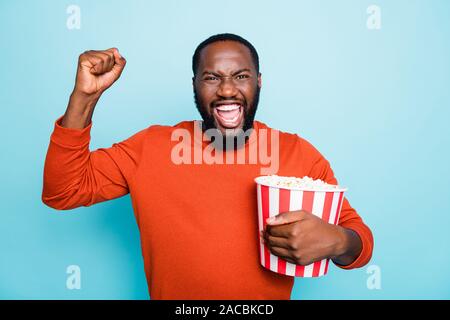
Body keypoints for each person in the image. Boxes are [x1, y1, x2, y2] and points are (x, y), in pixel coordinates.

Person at [42, 33, 373, 299]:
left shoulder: (298, 153)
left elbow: (360, 242)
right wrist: (84, 97)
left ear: (258, 82)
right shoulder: (151, 147)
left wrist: (338, 242)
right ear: (194, 86)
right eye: (212, 78)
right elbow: (63, 191)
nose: (227, 90)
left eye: (240, 76)